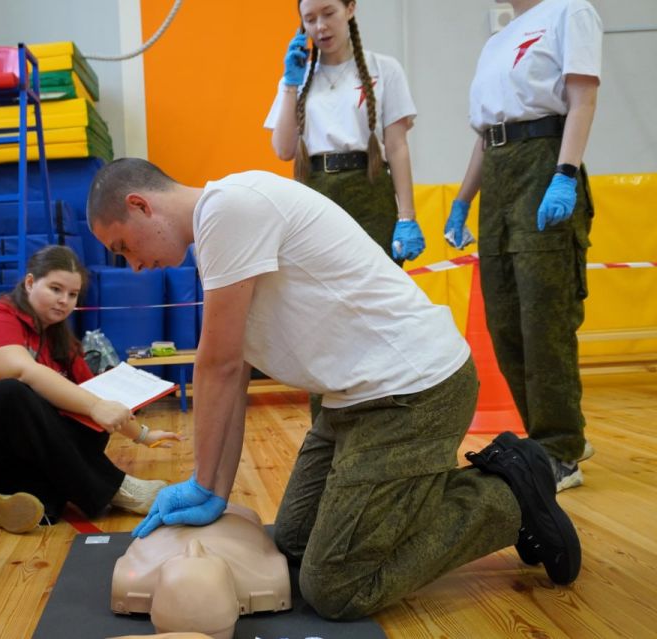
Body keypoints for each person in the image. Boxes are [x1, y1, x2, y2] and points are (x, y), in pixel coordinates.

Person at [87, 158, 581, 620]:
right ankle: (410, 491)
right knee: (295, 546)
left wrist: (201, 484)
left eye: (123, 247)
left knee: (337, 586)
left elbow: (218, 364)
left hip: (413, 394)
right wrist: (212, 488)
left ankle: (509, 494)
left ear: (140, 205)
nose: (131, 265)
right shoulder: (220, 230)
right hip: (355, 404)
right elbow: (233, 372)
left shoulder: (229, 209)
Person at [0, 245, 180, 532]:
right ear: (30, 283)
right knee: (11, 394)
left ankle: (22, 503)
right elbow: (21, 371)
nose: (63, 300)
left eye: (72, 294)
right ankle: (117, 489)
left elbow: (97, 398)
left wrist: (143, 434)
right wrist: (95, 406)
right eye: (55, 289)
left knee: (87, 426)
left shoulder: (60, 342)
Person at [444, 0, 602, 492]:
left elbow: (582, 99)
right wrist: (462, 201)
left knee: (544, 318)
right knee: (505, 321)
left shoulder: (569, 12)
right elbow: (486, 132)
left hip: (543, 163)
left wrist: (565, 174)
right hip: (498, 174)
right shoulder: (497, 41)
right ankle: (551, 435)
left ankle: (560, 451)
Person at [265, 0, 425, 267]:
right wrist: (291, 85)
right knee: (322, 297)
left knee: (375, 294)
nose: (321, 27)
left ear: (350, 9)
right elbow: (283, 150)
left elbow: (397, 147)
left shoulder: (385, 69)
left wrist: (406, 217)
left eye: (329, 14)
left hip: (370, 190)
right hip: (316, 195)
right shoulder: (298, 76)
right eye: (310, 19)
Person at [112, 503, 291, 639]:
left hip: (235, 524)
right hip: (239, 521)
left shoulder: (132, 577)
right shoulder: (269, 576)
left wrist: (206, 486)